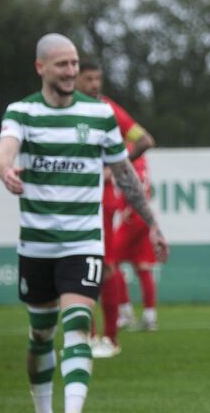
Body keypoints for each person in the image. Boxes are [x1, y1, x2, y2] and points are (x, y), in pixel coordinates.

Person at [0, 33, 168, 413]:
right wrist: (5, 170)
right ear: (41, 67)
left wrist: (152, 223)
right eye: (62, 64)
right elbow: (5, 151)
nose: (71, 71)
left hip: (83, 241)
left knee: (76, 323)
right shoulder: (22, 112)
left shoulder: (100, 114)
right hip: (37, 244)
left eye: (74, 63)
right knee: (41, 334)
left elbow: (124, 173)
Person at [74, 62, 159, 359]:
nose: (95, 84)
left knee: (106, 265)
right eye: (89, 79)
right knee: (77, 268)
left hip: (101, 202)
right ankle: (86, 337)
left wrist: (114, 166)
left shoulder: (107, 109)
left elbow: (144, 139)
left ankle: (109, 338)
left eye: (98, 78)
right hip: (67, 202)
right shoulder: (60, 111)